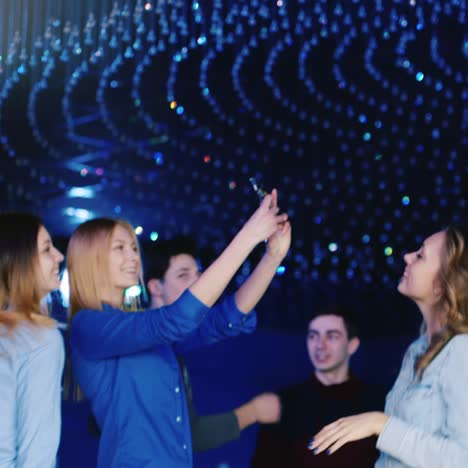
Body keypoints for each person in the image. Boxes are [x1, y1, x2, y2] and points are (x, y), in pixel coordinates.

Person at [68, 191, 289, 467]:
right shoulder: (89, 325)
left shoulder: (148, 333)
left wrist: (272, 257)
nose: (133, 257)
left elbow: (225, 319)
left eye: (134, 248)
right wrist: (248, 236)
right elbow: (177, 318)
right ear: (92, 258)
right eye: (119, 248)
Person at [309, 226, 468, 468]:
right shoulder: (417, 349)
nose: (407, 257)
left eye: (420, 255)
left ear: (442, 284)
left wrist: (380, 424)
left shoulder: (461, 350)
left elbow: (461, 459)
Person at [143, 233, 289, 451]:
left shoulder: (171, 342)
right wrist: (254, 411)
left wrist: (272, 257)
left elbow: (228, 316)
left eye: (199, 273)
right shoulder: (143, 345)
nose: (198, 282)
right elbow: (188, 437)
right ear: (155, 287)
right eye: (183, 275)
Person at [251, 306, 385, 467]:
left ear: (352, 345)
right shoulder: (284, 403)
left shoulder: (377, 402)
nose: (320, 345)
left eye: (332, 336)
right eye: (313, 336)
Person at [0, 212, 65, 468]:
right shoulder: (40, 338)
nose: (59, 256)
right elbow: (36, 453)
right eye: (47, 249)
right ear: (19, 261)